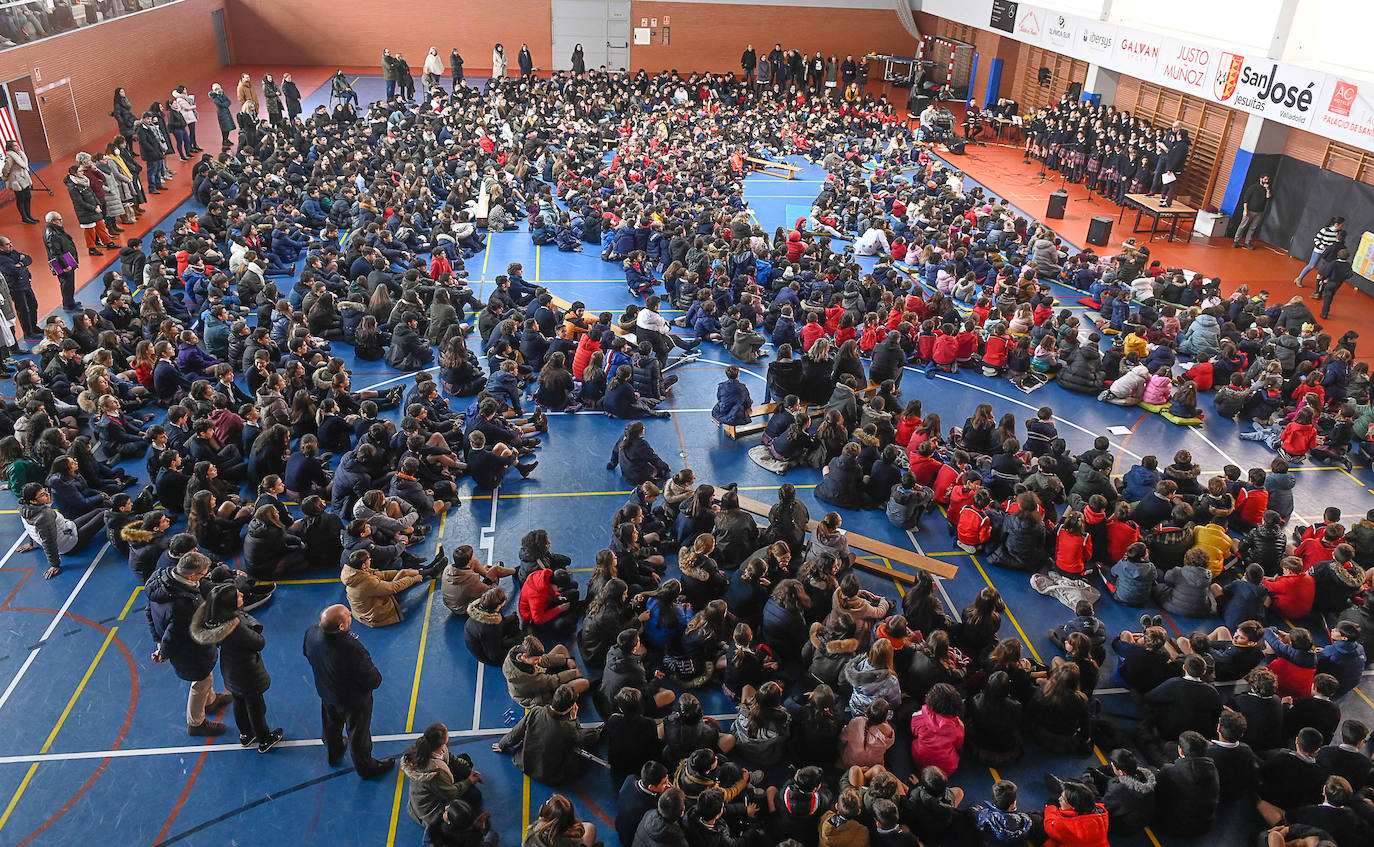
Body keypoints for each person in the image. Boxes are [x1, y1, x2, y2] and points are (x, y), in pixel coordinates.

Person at [145, 552, 232, 736]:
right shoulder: (183, 606)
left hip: (186, 647)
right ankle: (196, 723)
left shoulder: (161, 578)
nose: (205, 577)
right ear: (192, 575)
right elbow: (174, 635)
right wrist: (163, 652)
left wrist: (158, 641)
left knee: (205, 676)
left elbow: (149, 612)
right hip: (191, 652)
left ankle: (211, 701)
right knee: (201, 681)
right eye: (203, 574)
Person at [302, 604, 393, 778]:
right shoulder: (351, 648)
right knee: (358, 735)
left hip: (327, 692)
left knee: (331, 725)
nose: (351, 615)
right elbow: (372, 679)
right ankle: (366, 768)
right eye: (348, 615)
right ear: (341, 627)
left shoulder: (312, 634)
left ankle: (333, 752)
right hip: (353, 701)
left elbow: (307, 654)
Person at [189, 581, 283, 752]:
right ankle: (264, 739)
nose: (242, 595)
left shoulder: (215, 620)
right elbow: (258, 642)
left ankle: (246, 734)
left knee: (239, 702)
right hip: (247, 672)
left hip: (231, 669)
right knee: (256, 707)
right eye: (238, 595)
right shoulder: (235, 627)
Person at [492, 683, 600, 784]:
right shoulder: (568, 728)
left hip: (525, 763)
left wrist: (502, 744)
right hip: (550, 775)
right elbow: (580, 740)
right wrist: (574, 719)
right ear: (571, 707)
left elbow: (517, 732)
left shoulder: (536, 711)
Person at [402, 722, 484, 827]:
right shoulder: (432, 773)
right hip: (431, 810)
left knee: (464, 759)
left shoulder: (430, 748)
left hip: (439, 784)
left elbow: (451, 759)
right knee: (474, 796)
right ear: (443, 740)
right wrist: (469, 781)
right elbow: (451, 793)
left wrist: (469, 772)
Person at [19, 481, 107, 579]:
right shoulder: (44, 516)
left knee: (99, 511)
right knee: (104, 514)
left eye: (45, 491)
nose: (48, 495)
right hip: (70, 544)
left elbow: (31, 529)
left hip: (67, 528)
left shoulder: (25, 510)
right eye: (43, 495)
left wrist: (33, 544)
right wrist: (55, 564)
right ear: (33, 501)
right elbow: (48, 542)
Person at [42, 210, 82, 311]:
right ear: (52, 221)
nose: (61, 222)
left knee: (69, 283)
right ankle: (68, 305)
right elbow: (56, 252)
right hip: (62, 261)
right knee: (66, 283)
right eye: (59, 220)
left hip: (66, 258)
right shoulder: (52, 234)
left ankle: (70, 301)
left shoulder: (55, 230)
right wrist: (65, 265)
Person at [1294, 216, 1344, 286]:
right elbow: (1316, 239)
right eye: (1341, 225)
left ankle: (1321, 285)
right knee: (1312, 265)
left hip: (1329, 253)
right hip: (1319, 251)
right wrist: (1322, 246)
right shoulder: (1325, 230)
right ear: (1336, 224)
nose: (1342, 227)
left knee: (1327, 268)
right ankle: (1299, 278)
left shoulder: (1339, 233)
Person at [3, 140, 38, 224]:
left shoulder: (19, 154)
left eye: (17, 145)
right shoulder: (10, 157)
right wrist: (5, 177)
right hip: (16, 180)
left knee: (27, 197)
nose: (18, 146)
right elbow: (6, 169)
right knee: (21, 199)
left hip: (23, 178)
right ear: (10, 148)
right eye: (15, 146)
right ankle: (24, 218)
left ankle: (29, 216)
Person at [1232, 174, 1271, 249]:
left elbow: (1268, 197)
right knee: (1242, 226)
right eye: (1265, 179)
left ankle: (1247, 242)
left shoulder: (1267, 188)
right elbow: (1246, 199)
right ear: (1261, 179)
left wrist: (1268, 189)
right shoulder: (1253, 187)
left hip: (1259, 212)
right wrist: (1245, 210)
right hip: (1250, 210)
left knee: (1253, 228)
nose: (1267, 181)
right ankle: (1236, 241)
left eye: (1268, 180)